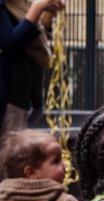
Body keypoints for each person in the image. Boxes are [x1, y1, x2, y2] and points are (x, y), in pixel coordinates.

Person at [0, 0, 64, 134]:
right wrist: (37, 7)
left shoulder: (18, 4)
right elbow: (9, 42)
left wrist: (47, 12)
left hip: (26, 91)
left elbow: (31, 35)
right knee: (11, 147)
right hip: (10, 94)